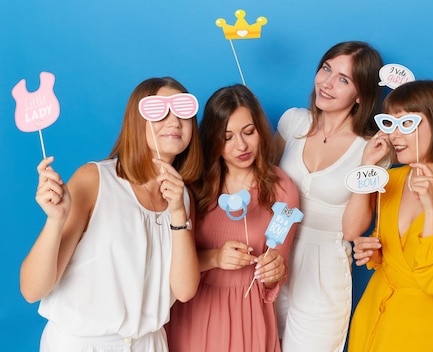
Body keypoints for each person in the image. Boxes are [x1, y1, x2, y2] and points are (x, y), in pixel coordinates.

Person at [19, 77, 203, 351]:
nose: (174, 121)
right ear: (136, 120)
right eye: (159, 111)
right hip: (83, 344)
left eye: (183, 112)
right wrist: (55, 220)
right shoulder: (94, 180)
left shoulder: (183, 197)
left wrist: (178, 212)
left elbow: (185, 290)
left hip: (148, 343)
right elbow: (32, 290)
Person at [343, 80, 433, 352]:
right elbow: (352, 233)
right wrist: (366, 165)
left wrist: (431, 209)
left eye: (407, 124)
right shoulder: (390, 179)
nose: (395, 136)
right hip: (372, 312)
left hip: (420, 327)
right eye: (390, 125)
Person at [166, 84, 299, 352]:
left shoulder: (283, 190)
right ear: (213, 140)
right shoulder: (193, 186)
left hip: (249, 315)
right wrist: (215, 257)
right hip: (194, 311)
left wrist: (275, 269)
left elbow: (278, 263)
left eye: (248, 132)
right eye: (227, 137)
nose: (241, 145)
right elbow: (167, 261)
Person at [274, 41, 383, 352]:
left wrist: (366, 167)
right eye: (326, 69)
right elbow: (264, 185)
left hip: (325, 264)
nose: (327, 83)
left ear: (361, 94)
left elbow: (352, 230)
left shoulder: (370, 148)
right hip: (275, 249)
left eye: (343, 79)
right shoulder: (292, 121)